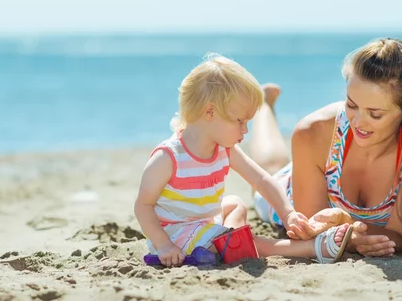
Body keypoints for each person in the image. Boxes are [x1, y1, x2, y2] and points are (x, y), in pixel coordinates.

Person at [250, 38, 402, 267]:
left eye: (375, 114)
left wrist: (347, 225)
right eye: (351, 105)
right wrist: (350, 235)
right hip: (293, 191)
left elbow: (397, 236)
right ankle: (264, 105)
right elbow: (310, 228)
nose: (359, 122)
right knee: (269, 169)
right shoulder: (313, 131)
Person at [134, 53, 354, 267]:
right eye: (239, 121)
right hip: (174, 234)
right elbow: (143, 206)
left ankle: (230, 241)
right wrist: (163, 245)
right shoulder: (169, 157)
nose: (245, 129)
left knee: (235, 203)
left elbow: (261, 180)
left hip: (204, 225)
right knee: (244, 239)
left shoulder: (224, 150)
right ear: (209, 112)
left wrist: (288, 214)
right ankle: (311, 248)